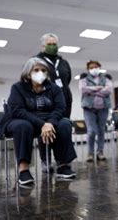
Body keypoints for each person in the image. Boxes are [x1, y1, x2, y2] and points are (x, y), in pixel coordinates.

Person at [0, 57, 77, 186]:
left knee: (64, 124)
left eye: (43, 70)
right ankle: (23, 170)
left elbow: (60, 108)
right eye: (36, 70)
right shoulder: (18, 87)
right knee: (23, 126)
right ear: (28, 73)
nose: (40, 73)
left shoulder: (54, 88)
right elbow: (18, 111)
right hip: (21, 120)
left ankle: (63, 166)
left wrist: (50, 123)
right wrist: (42, 124)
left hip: (48, 120)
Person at [36, 33, 73, 173]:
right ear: (43, 46)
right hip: (45, 102)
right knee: (46, 130)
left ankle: (61, 160)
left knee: (63, 129)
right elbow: (35, 81)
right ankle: (45, 160)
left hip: (64, 101)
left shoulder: (63, 62)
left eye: (55, 44)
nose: (53, 46)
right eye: (50, 44)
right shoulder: (37, 61)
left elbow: (67, 79)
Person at [79, 60, 112, 162]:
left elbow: (109, 90)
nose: (94, 69)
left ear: (99, 67)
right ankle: (90, 153)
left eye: (96, 67)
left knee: (101, 130)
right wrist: (99, 88)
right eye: (91, 67)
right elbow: (83, 89)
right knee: (91, 131)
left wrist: (92, 91)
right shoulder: (83, 78)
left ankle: (100, 152)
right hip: (89, 108)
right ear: (88, 69)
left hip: (103, 108)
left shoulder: (106, 78)